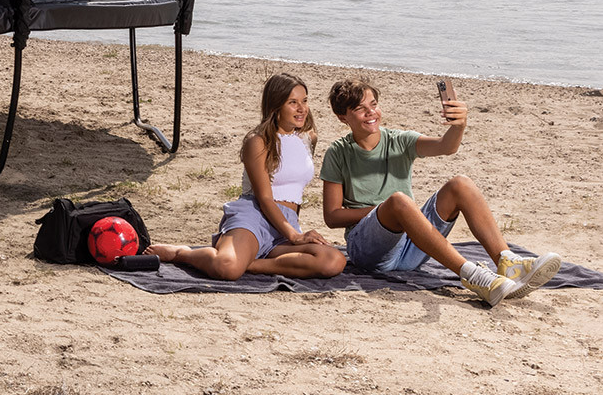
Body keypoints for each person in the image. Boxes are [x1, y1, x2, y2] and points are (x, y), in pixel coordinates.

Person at [320, 77, 562, 305]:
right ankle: (472, 275)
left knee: (461, 184)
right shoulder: (338, 153)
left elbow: (446, 146)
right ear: (343, 117)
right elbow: (332, 216)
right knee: (399, 201)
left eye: (373, 104)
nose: (371, 112)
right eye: (360, 109)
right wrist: (385, 211)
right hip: (369, 251)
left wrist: (459, 125)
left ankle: (507, 262)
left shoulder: (399, 140)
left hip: (412, 247)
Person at [150, 73, 347, 280]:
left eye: (304, 101)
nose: (302, 108)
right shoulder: (258, 141)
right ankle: (182, 253)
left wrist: (292, 231)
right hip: (255, 216)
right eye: (293, 102)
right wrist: (295, 236)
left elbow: (294, 188)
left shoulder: (308, 138)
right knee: (227, 268)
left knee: (332, 261)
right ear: (276, 106)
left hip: (286, 223)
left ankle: (251, 263)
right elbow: (265, 198)